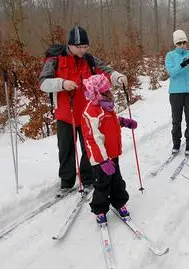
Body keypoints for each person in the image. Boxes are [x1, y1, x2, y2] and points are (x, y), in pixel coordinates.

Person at [39, 26, 128, 196]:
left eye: (85, 47)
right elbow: (43, 83)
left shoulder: (89, 59)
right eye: (79, 47)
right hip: (65, 114)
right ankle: (66, 182)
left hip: (88, 114)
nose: (82, 50)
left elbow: (105, 71)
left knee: (89, 148)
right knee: (66, 149)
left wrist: (118, 77)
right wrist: (62, 83)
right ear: (70, 45)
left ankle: (88, 179)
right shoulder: (55, 60)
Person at [80, 74, 137, 223]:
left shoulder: (106, 105)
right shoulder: (91, 111)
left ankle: (120, 202)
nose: (110, 92)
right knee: (102, 183)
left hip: (112, 153)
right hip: (101, 158)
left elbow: (110, 123)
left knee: (117, 180)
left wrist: (123, 122)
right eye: (107, 90)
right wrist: (103, 160)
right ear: (100, 92)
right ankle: (100, 209)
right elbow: (93, 138)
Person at [164, 30, 189, 155]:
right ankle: (176, 143)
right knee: (176, 119)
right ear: (175, 44)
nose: (182, 45)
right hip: (175, 92)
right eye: (179, 43)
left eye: (184, 42)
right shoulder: (170, 55)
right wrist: (182, 64)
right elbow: (171, 72)